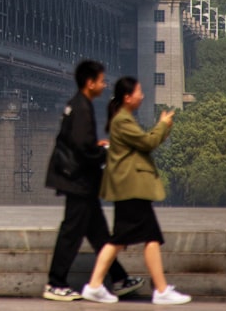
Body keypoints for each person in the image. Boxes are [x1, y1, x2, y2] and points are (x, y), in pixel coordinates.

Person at [80, 76, 191, 305]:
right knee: (131, 238)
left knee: (136, 238)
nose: (142, 95)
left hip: (131, 188)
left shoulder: (123, 119)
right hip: (131, 188)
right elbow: (147, 143)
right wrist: (163, 125)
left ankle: (99, 286)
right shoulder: (123, 121)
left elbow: (145, 142)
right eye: (139, 92)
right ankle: (156, 290)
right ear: (127, 97)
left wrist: (162, 128)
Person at [43, 60, 144, 302]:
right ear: (90, 83)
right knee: (71, 232)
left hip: (78, 179)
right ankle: (55, 283)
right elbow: (82, 148)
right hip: (77, 180)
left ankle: (119, 279)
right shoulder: (82, 109)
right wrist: (105, 153)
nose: (104, 84)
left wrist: (96, 147)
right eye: (101, 80)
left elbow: (79, 142)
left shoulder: (78, 105)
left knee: (98, 233)